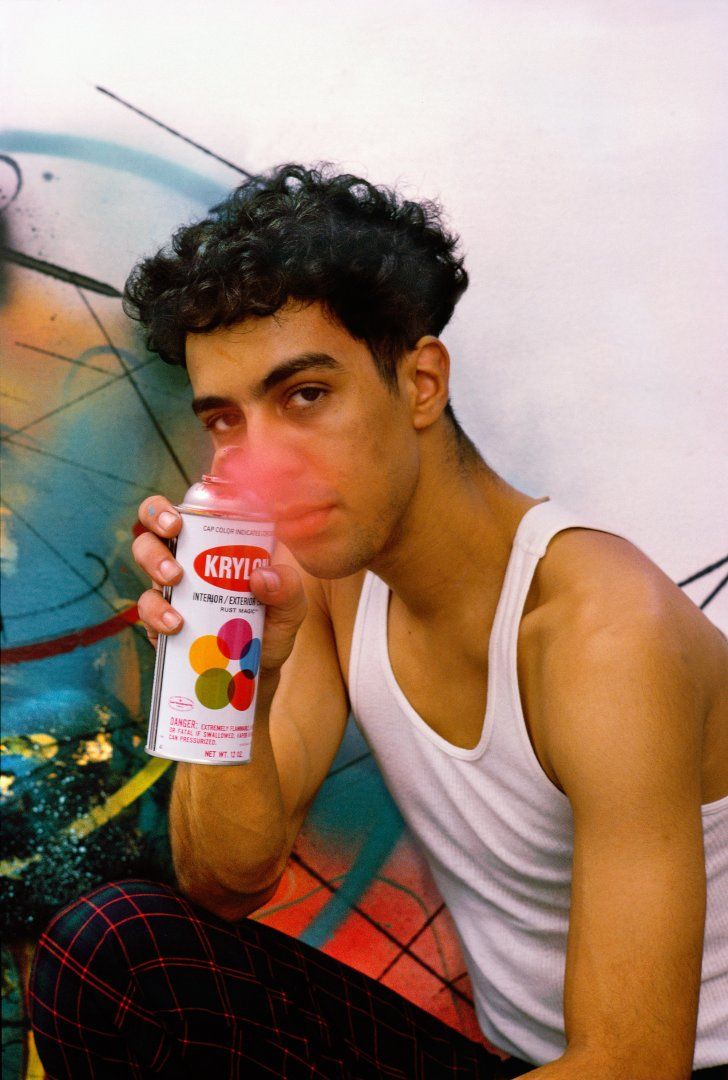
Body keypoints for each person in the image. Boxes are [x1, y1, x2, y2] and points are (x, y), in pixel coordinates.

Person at [30, 164, 728, 1079]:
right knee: (118, 950)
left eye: (305, 396)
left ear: (421, 383)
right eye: (227, 422)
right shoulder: (332, 577)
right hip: (512, 1061)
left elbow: (635, 1064)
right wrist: (232, 658)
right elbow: (223, 884)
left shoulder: (604, 634)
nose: (263, 463)